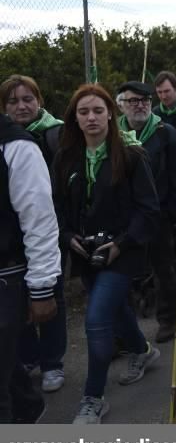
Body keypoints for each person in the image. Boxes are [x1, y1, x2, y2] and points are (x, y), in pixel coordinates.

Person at [53, 84, 161, 424]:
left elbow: (149, 210)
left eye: (98, 110)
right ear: (74, 118)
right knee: (114, 312)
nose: (91, 117)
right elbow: (56, 207)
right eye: (83, 112)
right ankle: (142, 351)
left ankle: (93, 397)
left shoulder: (130, 155)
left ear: (111, 114)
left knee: (97, 319)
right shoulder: (65, 158)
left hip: (122, 251)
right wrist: (67, 236)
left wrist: (121, 244)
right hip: (85, 253)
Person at [1, 75, 67, 393]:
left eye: (28, 99)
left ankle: (53, 361)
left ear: (39, 101)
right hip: (14, 243)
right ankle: (28, 357)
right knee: (18, 308)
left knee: (50, 298)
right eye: (13, 101)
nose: (21, 106)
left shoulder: (56, 133)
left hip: (53, 229)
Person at [117, 81, 176, 343]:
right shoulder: (114, 135)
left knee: (163, 269)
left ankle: (168, 319)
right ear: (121, 104)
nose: (140, 105)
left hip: (158, 215)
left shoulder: (166, 133)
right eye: (133, 100)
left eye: (144, 100)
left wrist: (175, 215)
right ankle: (125, 331)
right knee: (124, 275)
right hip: (124, 217)